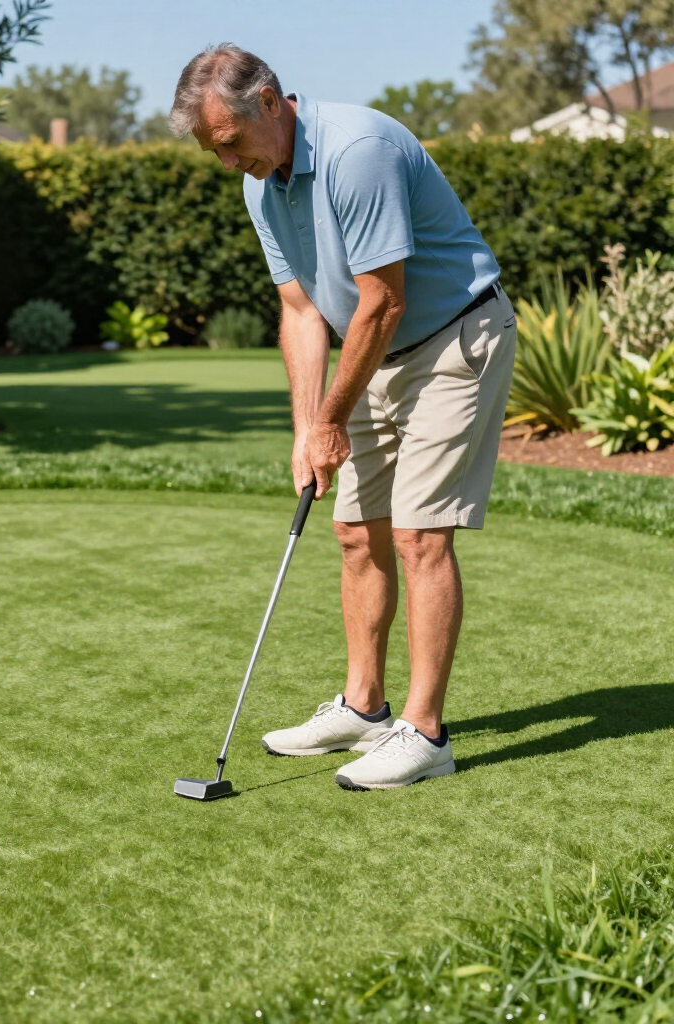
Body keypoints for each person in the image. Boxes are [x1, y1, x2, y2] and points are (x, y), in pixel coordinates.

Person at [169, 45, 516, 790]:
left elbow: (382, 299)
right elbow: (299, 311)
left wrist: (331, 417)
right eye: (213, 151)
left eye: (228, 142)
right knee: (357, 531)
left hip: (452, 339)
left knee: (421, 535)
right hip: (375, 353)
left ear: (269, 100)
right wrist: (308, 427)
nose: (226, 161)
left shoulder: (358, 150)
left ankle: (425, 734)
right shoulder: (262, 185)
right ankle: (364, 707)